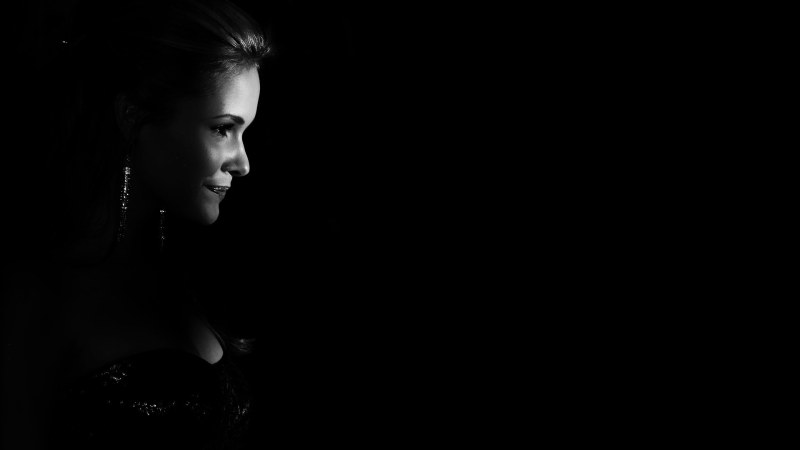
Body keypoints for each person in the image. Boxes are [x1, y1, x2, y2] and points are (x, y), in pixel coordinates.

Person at [1, 0, 271, 448]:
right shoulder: (36, 293)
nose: (242, 163)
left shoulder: (186, 280)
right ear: (133, 117)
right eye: (222, 128)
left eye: (244, 132)